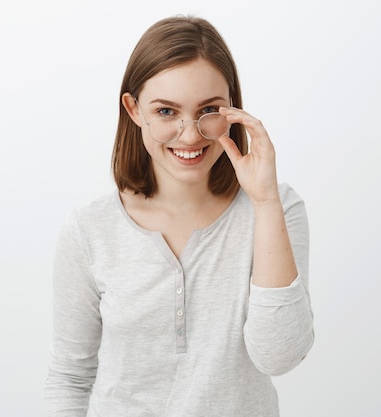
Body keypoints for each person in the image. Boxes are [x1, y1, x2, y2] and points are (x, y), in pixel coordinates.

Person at [44, 15, 314, 417]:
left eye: (209, 110)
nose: (190, 135)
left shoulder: (277, 207)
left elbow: (279, 357)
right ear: (134, 110)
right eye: (167, 111)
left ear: (232, 109)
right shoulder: (89, 230)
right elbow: (70, 376)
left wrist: (265, 202)